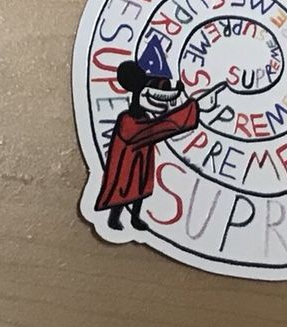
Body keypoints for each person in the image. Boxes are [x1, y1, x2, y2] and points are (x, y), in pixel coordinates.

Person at [96, 56, 224, 230]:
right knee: (123, 187)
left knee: (140, 188)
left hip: (142, 161)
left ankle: (134, 218)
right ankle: (114, 218)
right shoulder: (128, 122)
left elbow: (160, 126)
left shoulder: (144, 118)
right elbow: (162, 127)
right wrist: (194, 108)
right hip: (127, 164)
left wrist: (194, 107)